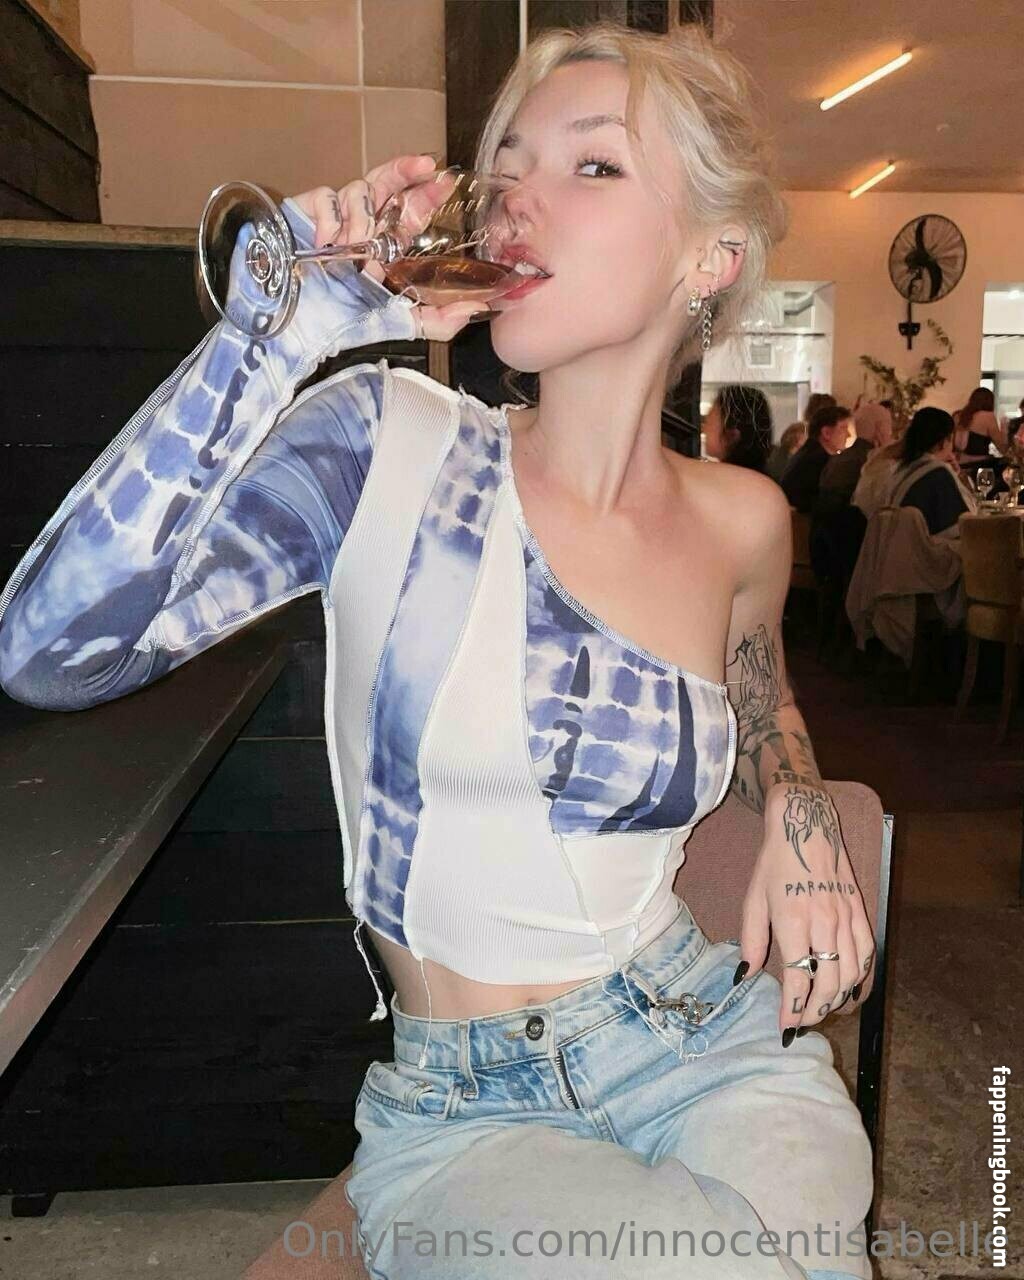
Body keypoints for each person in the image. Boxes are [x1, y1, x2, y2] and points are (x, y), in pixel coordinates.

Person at [0, 20, 876, 1280]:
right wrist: (280, 329)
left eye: (591, 164)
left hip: (702, 1038)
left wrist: (798, 805)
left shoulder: (743, 520)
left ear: (711, 254)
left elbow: (758, 693)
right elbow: (53, 650)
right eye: (505, 163)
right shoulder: (385, 443)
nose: (517, 193)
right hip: (468, 1109)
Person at [882, 406, 977, 537]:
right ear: (944, 442)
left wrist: (955, 475)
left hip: (897, 544)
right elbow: (963, 530)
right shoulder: (938, 474)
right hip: (922, 548)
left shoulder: (901, 469)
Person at [817, 401, 893, 513]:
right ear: (879, 429)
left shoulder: (835, 460)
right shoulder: (873, 465)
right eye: (889, 426)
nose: (891, 433)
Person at [780, 403, 853, 513]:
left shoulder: (808, 454)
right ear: (826, 433)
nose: (848, 435)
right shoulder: (819, 462)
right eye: (843, 428)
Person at [702, 383, 773, 471]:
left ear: (732, 435)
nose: (704, 429)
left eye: (708, 422)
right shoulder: (756, 475)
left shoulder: (728, 476)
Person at [952, 386, 1006, 474]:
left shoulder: (958, 415)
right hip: (978, 467)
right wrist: (1004, 428)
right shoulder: (988, 417)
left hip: (958, 466)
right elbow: (1003, 448)